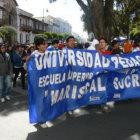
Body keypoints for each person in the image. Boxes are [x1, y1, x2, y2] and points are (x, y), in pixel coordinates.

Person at [31, 36, 48, 128]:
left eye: (46, 43)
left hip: (47, 82)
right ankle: (41, 120)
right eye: (43, 44)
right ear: (38, 46)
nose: (46, 45)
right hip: (38, 83)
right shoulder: (34, 55)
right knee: (40, 100)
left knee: (45, 100)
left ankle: (43, 116)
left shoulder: (48, 53)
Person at [98, 38, 111, 113]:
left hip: (108, 74)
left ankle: (103, 103)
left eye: (103, 42)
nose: (101, 43)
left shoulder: (109, 53)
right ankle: (103, 105)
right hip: (99, 74)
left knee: (105, 89)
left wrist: (117, 56)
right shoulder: (96, 52)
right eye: (100, 42)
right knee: (102, 89)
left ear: (106, 44)